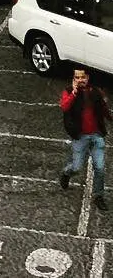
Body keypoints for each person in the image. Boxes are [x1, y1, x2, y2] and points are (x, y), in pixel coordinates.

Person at [60, 67, 109, 210]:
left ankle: (98, 196)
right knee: (76, 167)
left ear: (88, 78)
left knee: (99, 168)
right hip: (80, 136)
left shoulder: (95, 92)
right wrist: (74, 92)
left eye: (83, 77)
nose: (81, 80)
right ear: (73, 79)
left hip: (97, 135)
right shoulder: (69, 92)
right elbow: (64, 107)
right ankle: (66, 173)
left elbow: (104, 109)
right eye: (77, 78)